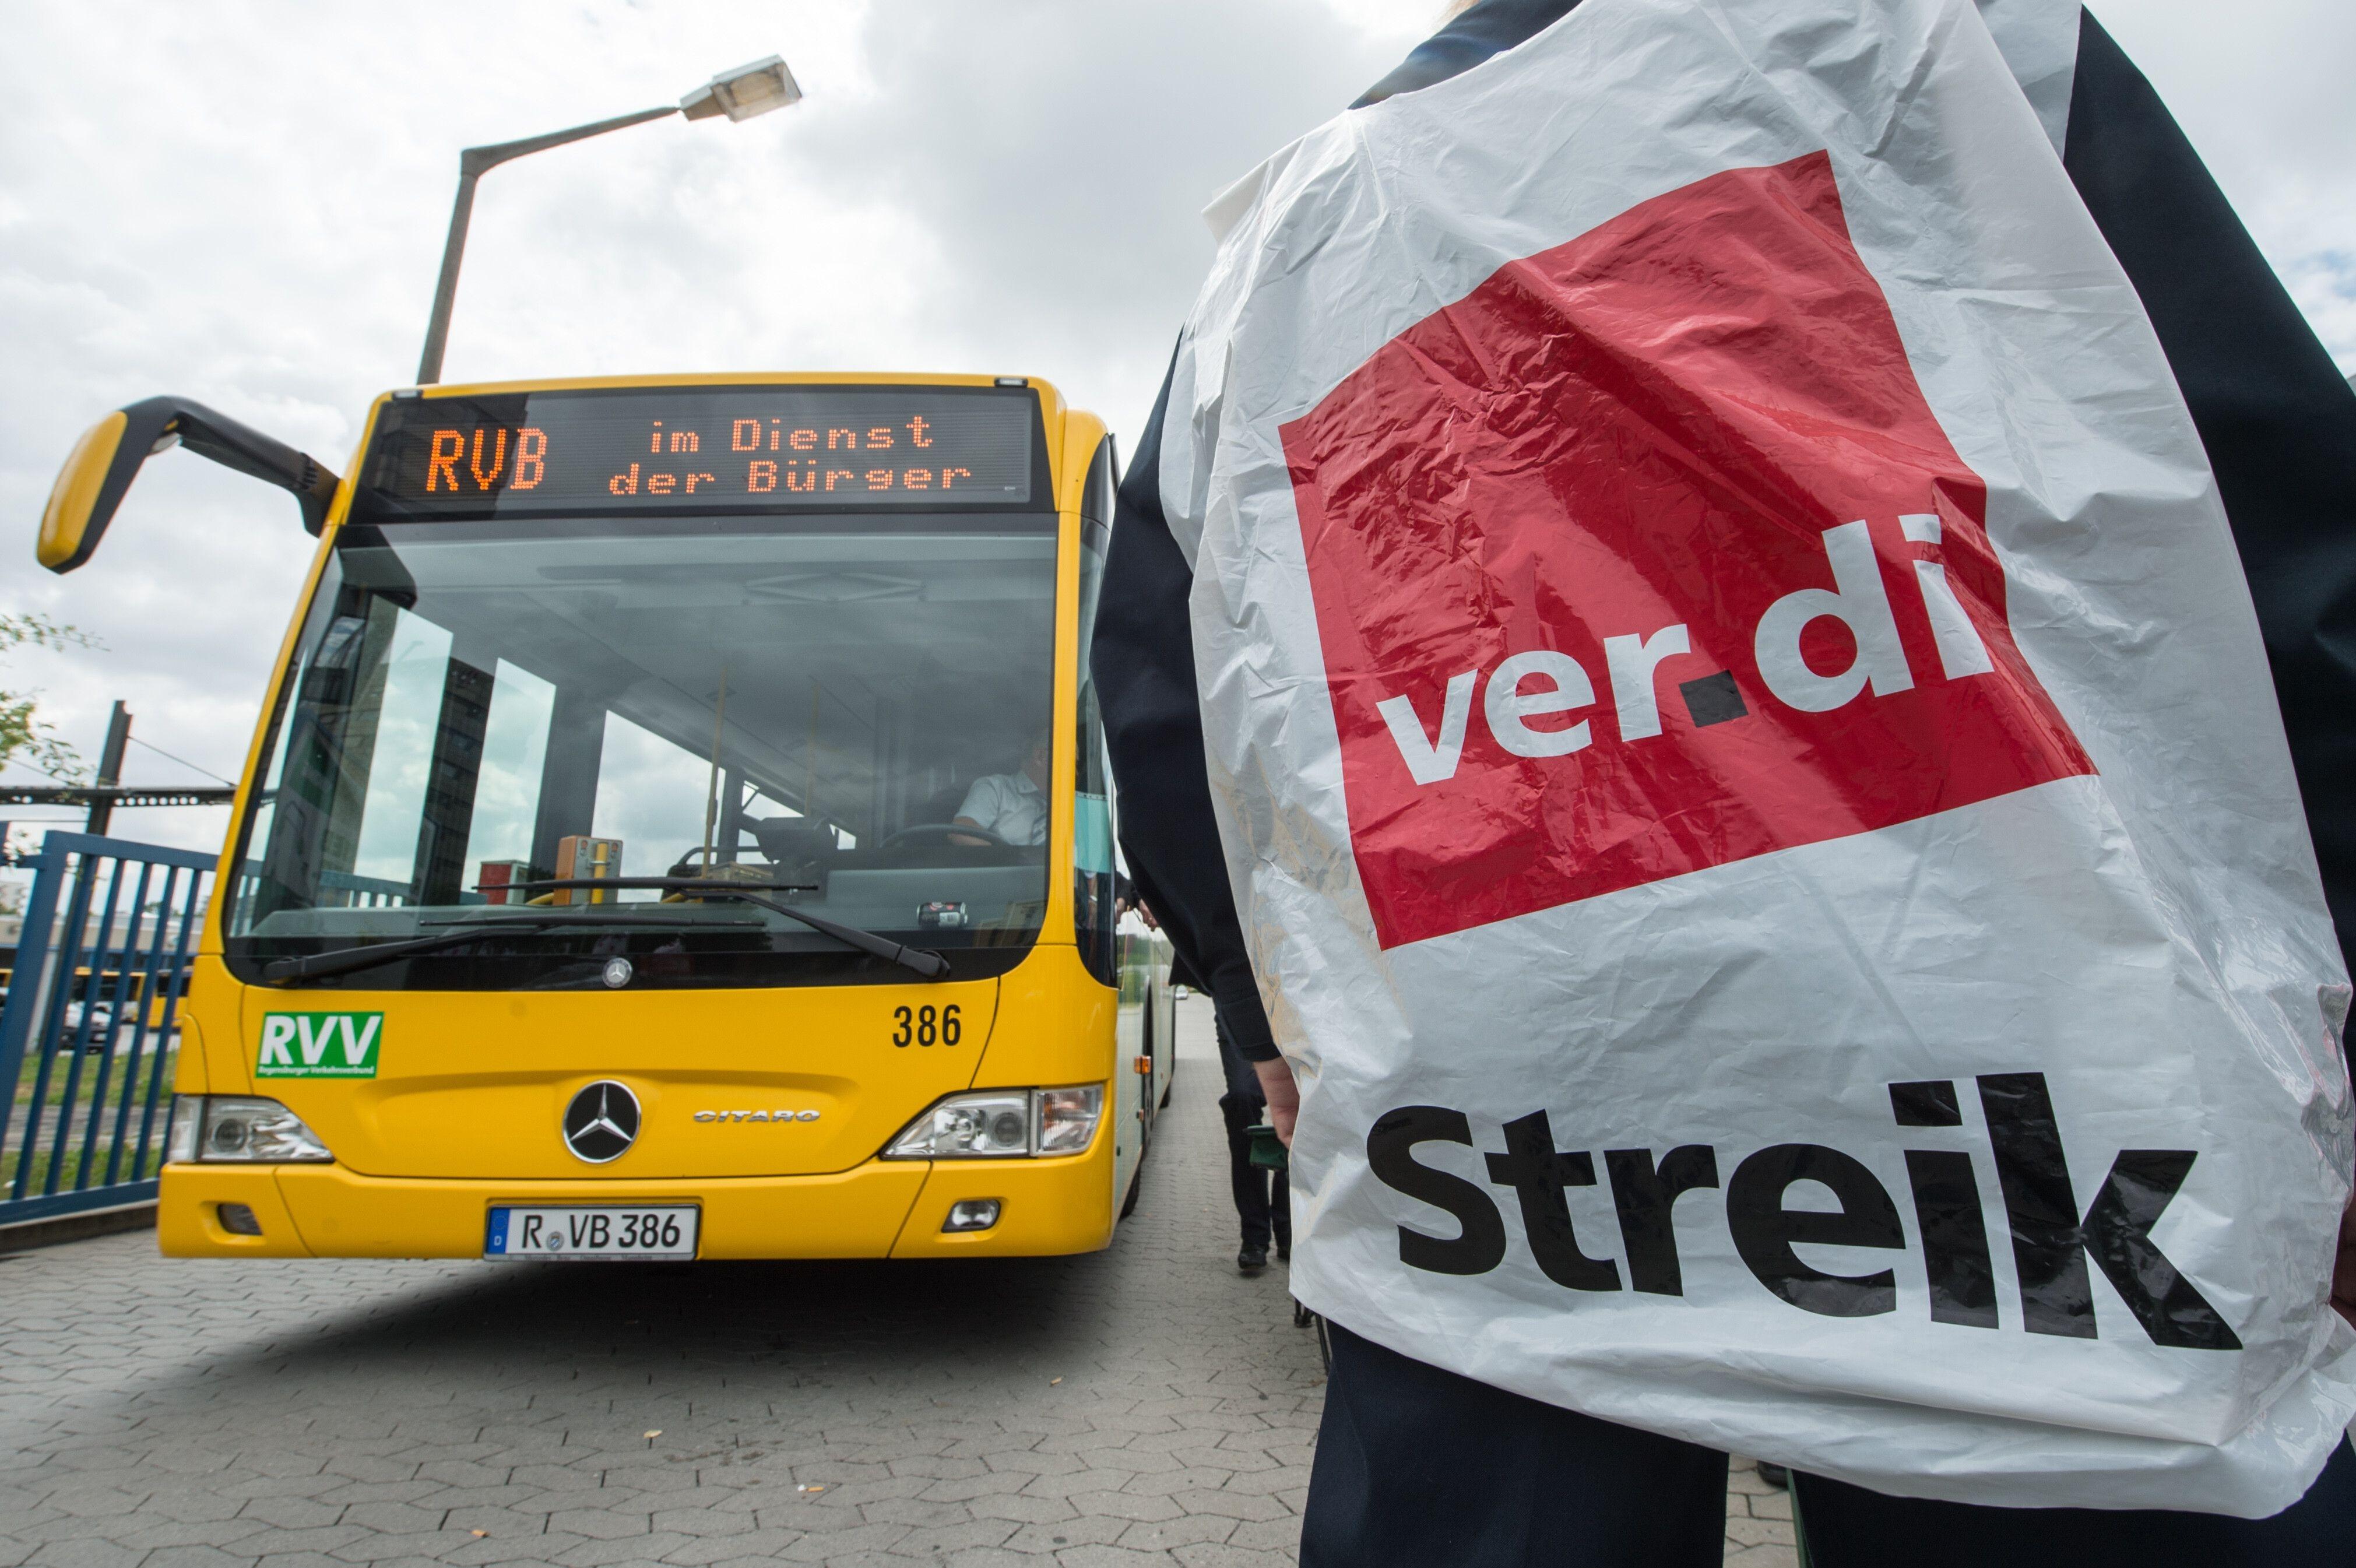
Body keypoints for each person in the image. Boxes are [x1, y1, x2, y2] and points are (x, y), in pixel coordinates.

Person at [1091, 2, 2356, 1564]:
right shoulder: (1919, 42)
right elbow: (2277, 553)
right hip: (2030, 1075)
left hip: (1492, 1116)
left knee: (1496, 1487)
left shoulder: (1281, 234)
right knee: (2059, 1450)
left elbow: (1161, 701)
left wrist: (1262, 1004)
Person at [1217, 1011, 1291, 1272]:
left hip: (1295, 1013)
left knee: (1301, 1111)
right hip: (1241, 1009)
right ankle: (1254, 1236)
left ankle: (1289, 1228)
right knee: (1241, 1098)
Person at [950, 731, 1050, 846]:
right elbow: (961, 832)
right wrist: (1007, 857)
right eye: (1072, 758)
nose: (1075, 770)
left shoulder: (1073, 801)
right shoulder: (996, 789)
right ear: (1040, 757)